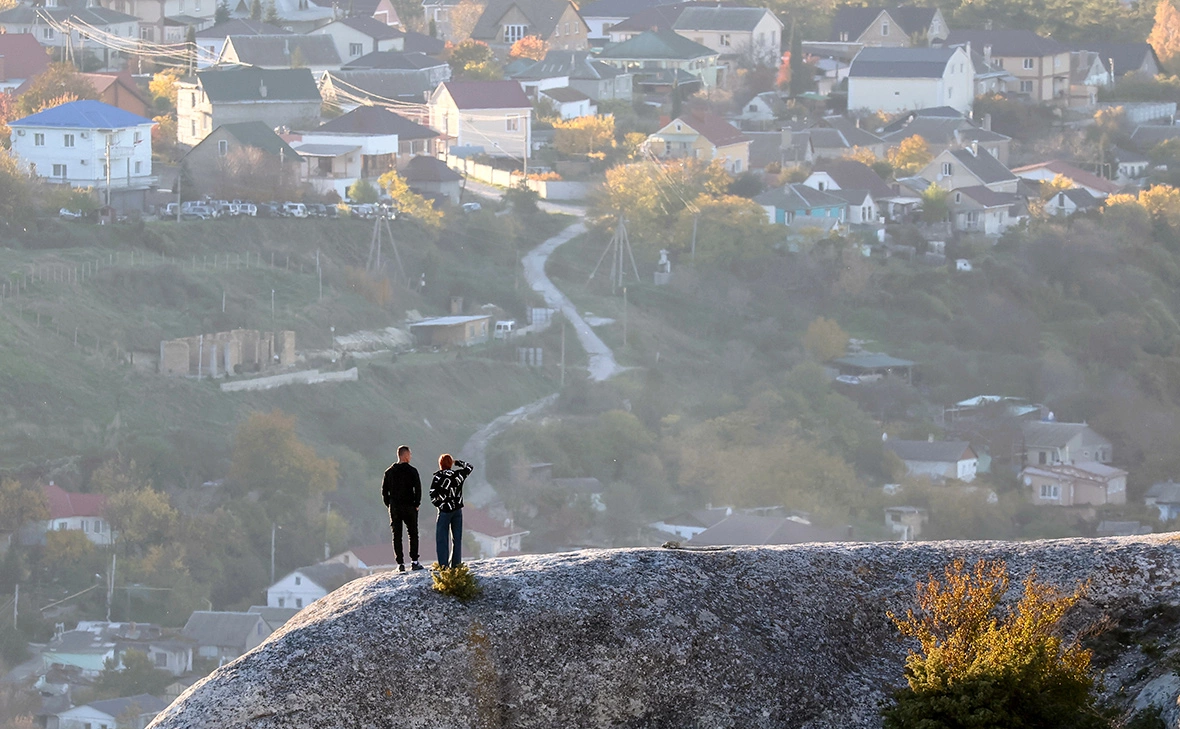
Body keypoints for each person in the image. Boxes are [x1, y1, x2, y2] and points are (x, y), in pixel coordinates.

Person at [382, 445, 423, 572]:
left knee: (397, 535)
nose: (410, 456)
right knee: (413, 534)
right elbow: (418, 489)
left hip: (395, 507)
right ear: (405, 455)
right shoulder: (412, 471)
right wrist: (417, 503)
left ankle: (400, 564)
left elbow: (384, 491)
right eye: (410, 454)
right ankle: (414, 561)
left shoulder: (389, 472)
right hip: (409, 506)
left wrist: (389, 505)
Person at [430, 453, 473, 569]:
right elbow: (469, 467)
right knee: (457, 539)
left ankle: (443, 566)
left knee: (442, 539)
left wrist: (440, 505)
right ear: (450, 464)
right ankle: (456, 565)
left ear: (440, 464)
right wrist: (457, 462)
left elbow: (432, 495)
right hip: (457, 510)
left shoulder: (438, 477)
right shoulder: (458, 475)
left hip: (445, 511)